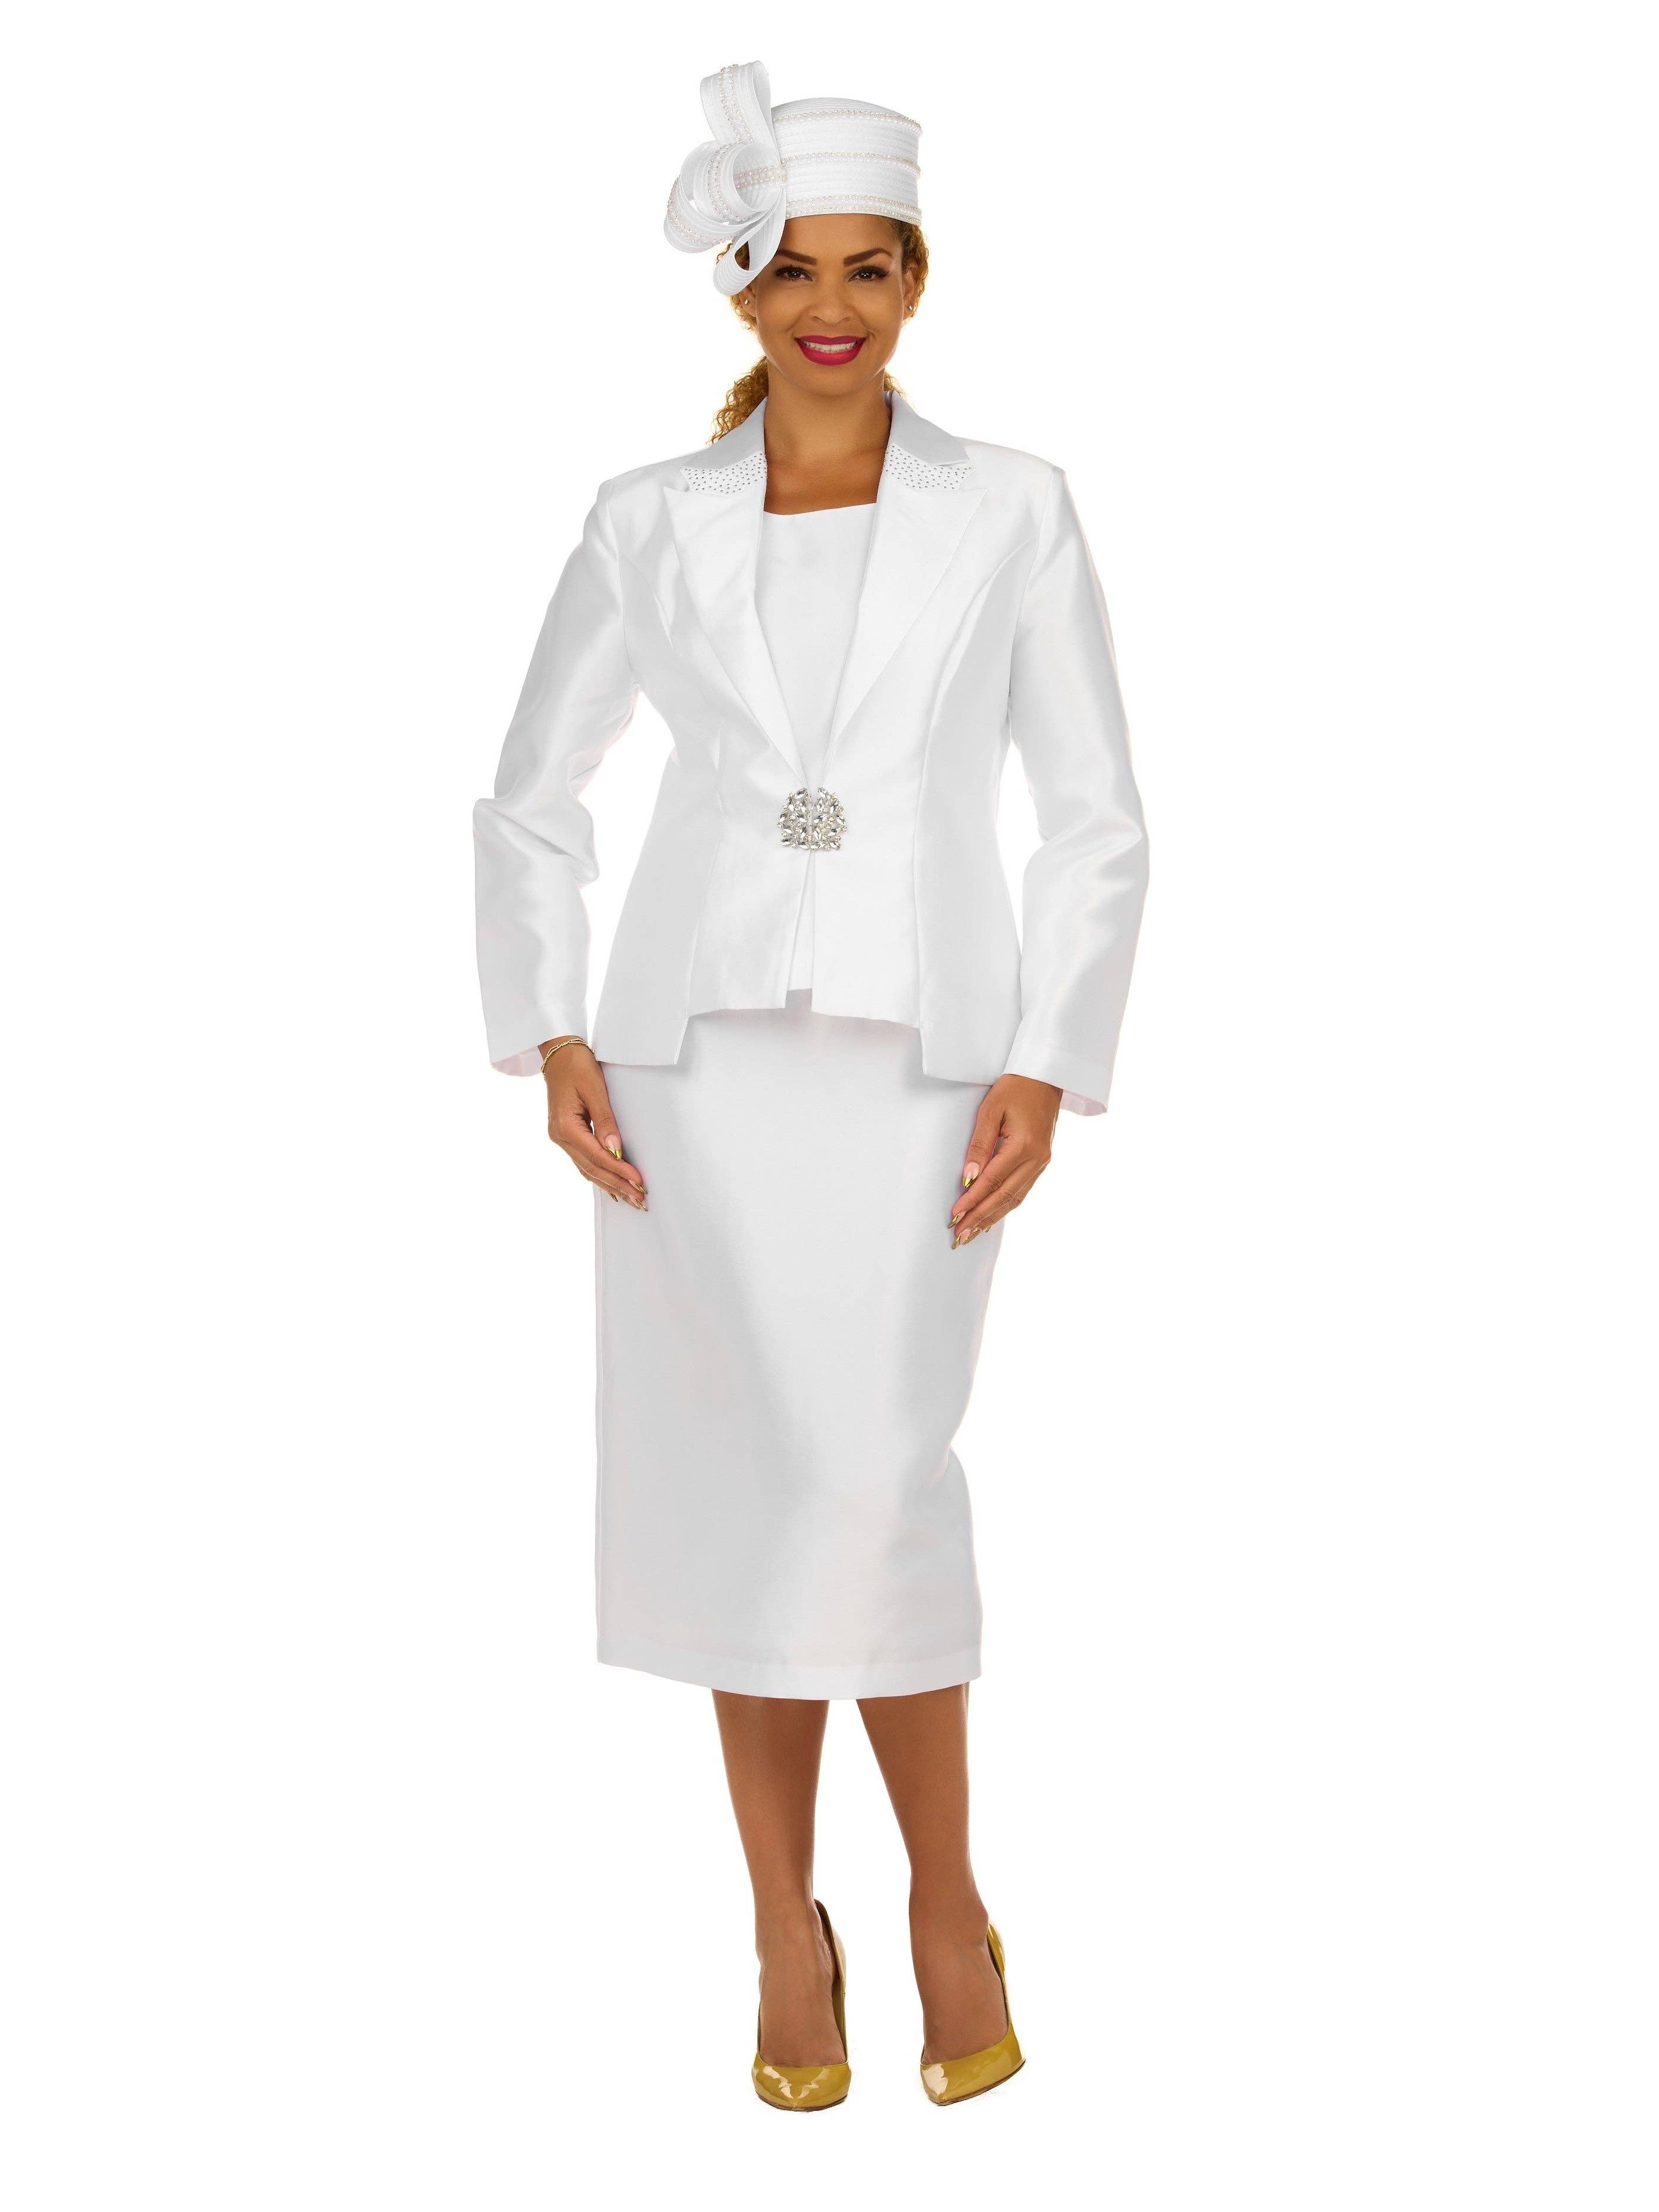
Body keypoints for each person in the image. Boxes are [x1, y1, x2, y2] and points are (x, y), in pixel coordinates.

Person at [474, 60, 1148, 2110]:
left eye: (867, 270)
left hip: (926, 1073)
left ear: (919, 281)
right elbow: (532, 795)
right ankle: (784, 1923)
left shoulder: (1015, 506)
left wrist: (1050, 1058)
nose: (827, 308)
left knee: (872, 1484)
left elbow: (1097, 815)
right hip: (693, 1072)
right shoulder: (644, 519)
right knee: (742, 1496)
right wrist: (553, 1029)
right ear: (739, 290)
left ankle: (946, 1896)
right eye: (789, 272)